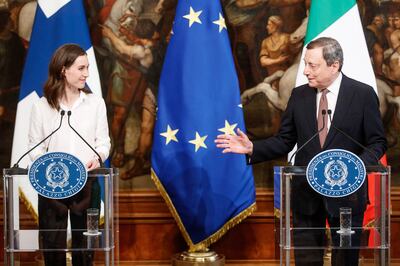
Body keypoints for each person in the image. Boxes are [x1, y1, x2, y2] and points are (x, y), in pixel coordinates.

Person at [216, 37, 387, 266]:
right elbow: (285, 140)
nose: (305, 71)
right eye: (305, 63)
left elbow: (377, 142)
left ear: (334, 65)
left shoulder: (362, 94)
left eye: (312, 65)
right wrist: (253, 148)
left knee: (345, 259)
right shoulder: (300, 95)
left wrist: (353, 166)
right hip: (306, 194)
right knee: (306, 259)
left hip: (347, 195)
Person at [28, 44, 111, 266]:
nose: (87, 73)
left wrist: (98, 157)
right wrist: (48, 167)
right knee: (53, 246)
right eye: (81, 68)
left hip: (87, 184)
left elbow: (103, 143)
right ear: (64, 69)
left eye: (88, 68)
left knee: (85, 247)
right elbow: (35, 148)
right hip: (51, 187)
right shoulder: (42, 106)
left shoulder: (95, 103)